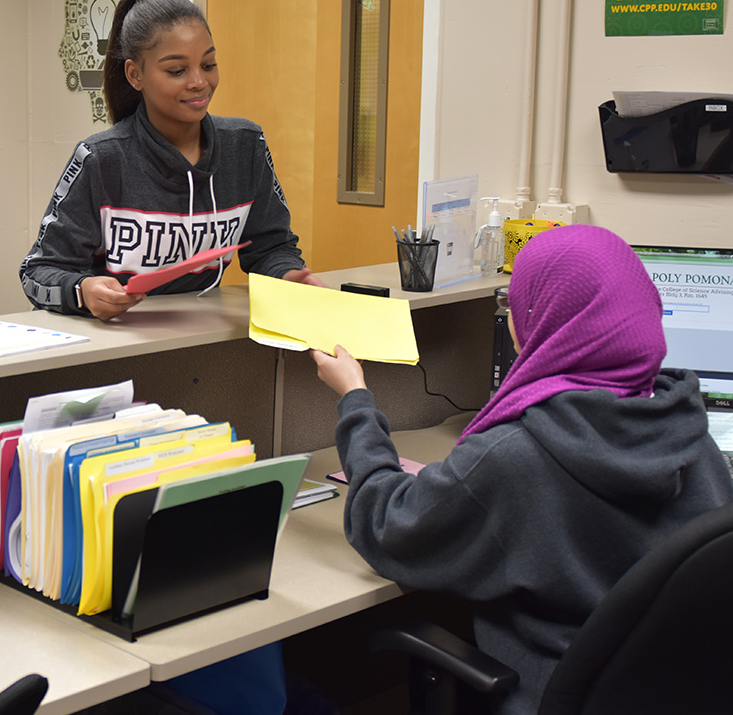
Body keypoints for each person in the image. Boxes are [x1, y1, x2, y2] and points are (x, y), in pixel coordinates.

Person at [310, 224, 733, 714]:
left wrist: (356, 400)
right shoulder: (689, 431)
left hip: (549, 694)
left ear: (540, 320)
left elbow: (387, 527)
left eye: (516, 304)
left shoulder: (517, 454)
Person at [21, 0, 323, 321]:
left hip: (202, 340)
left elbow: (272, 248)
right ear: (135, 74)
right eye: (177, 71)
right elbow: (38, 272)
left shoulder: (246, 146)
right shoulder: (100, 159)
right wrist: (82, 290)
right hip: (111, 342)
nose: (198, 82)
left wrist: (288, 276)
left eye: (208, 65)